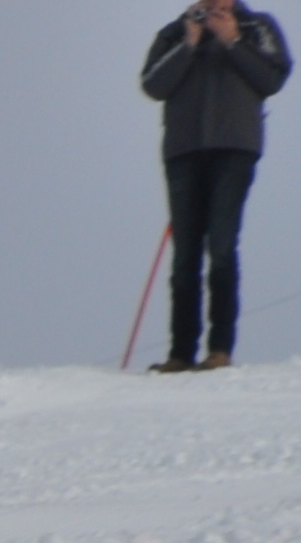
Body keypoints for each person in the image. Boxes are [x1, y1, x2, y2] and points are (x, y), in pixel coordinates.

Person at [147, 0, 292, 370]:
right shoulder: (175, 32)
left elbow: (272, 78)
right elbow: (153, 85)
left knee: (222, 247)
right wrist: (189, 44)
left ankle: (219, 350)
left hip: (234, 148)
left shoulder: (256, 26)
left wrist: (233, 41)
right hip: (183, 151)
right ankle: (181, 353)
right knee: (185, 255)